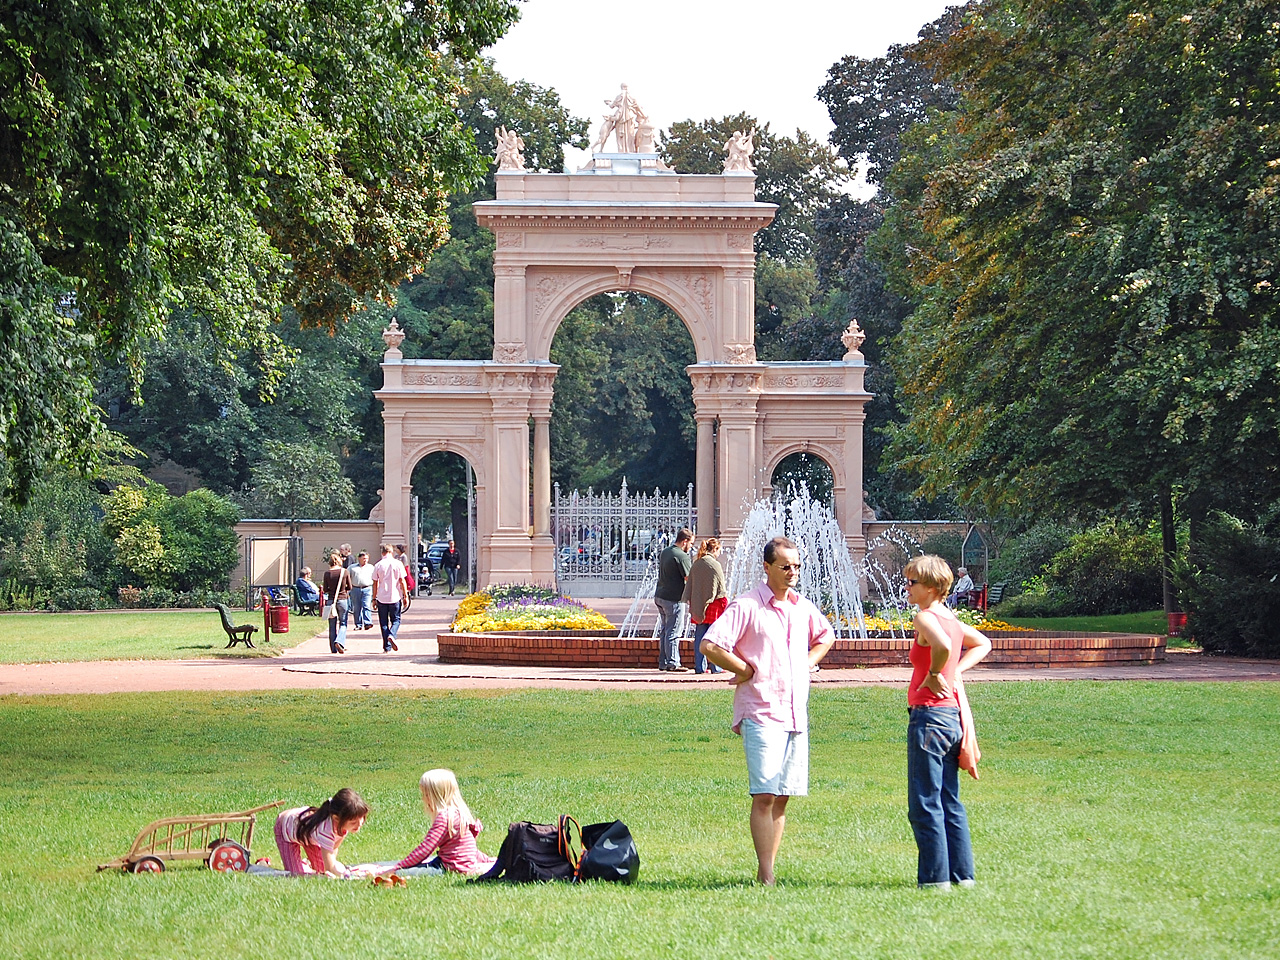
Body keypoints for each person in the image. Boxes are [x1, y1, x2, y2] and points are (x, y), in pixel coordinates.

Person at [700, 536, 835, 885]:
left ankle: (768, 869)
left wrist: (807, 663)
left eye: (797, 566)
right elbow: (710, 644)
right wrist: (743, 670)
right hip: (760, 710)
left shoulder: (802, 606)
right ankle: (767, 874)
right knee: (764, 794)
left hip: (794, 713)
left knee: (782, 796)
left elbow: (826, 636)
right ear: (767, 567)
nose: (793, 573)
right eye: (785, 566)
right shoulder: (747, 606)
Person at [904, 554, 992, 890]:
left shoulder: (925, 617)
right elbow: (983, 642)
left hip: (928, 717)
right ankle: (963, 877)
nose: (907, 587)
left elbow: (940, 646)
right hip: (951, 717)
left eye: (912, 582)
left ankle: (934, 880)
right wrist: (955, 672)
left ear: (930, 587)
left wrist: (937, 673)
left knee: (925, 801)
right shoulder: (952, 620)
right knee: (949, 800)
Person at [373, 769, 497, 878]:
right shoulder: (460, 813)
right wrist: (489, 860)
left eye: (425, 794)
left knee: (402, 872)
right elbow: (469, 848)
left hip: (450, 866)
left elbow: (425, 849)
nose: (423, 798)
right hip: (455, 863)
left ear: (436, 796)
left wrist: (399, 867)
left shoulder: (445, 817)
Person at [274, 787, 369, 877]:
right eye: (353, 822)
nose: (359, 824)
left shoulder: (342, 824)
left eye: (362, 819)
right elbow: (329, 869)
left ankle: (306, 863)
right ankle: (301, 863)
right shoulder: (325, 831)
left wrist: (333, 864)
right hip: (285, 828)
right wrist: (345, 876)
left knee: (321, 869)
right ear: (336, 818)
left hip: (307, 833)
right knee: (296, 875)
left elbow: (334, 848)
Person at [682, 537, 727, 674]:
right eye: (719, 550)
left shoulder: (697, 564)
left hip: (699, 604)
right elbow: (721, 588)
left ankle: (700, 667)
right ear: (715, 549)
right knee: (714, 636)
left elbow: (690, 585)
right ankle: (715, 667)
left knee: (700, 636)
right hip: (714, 604)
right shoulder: (715, 564)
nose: (719, 553)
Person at [654, 528, 694, 672]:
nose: (691, 547)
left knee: (665, 630)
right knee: (674, 631)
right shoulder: (682, 556)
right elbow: (689, 579)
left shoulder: (666, 551)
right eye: (691, 543)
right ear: (684, 542)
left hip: (660, 595)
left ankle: (663, 662)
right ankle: (673, 663)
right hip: (674, 598)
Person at [372, 544, 409, 652]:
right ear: (391, 552)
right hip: (395, 596)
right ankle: (392, 634)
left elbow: (375, 583)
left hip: (382, 597)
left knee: (383, 623)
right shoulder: (398, 564)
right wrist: (405, 595)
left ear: (382, 552)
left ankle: (387, 647)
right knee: (396, 620)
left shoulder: (378, 565)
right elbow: (402, 581)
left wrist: (374, 598)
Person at [322, 551, 350, 654]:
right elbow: (349, 586)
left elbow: (325, 589)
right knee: (343, 623)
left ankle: (333, 648)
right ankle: (339, 641)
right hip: (342, 599)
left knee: (332, 624)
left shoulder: (327, 573)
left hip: (331, 600)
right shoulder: (345, 572)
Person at [347, 550, 375, 631]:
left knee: (366, 605)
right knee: (357, 607)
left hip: (367, 588)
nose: (365, 560)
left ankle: (367, 623)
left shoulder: (371, 568)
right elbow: (347, 577)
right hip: (355, 589)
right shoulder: (352, 568)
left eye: (366, 558)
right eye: (363, 558)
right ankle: (358, 624)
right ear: (359, 558)